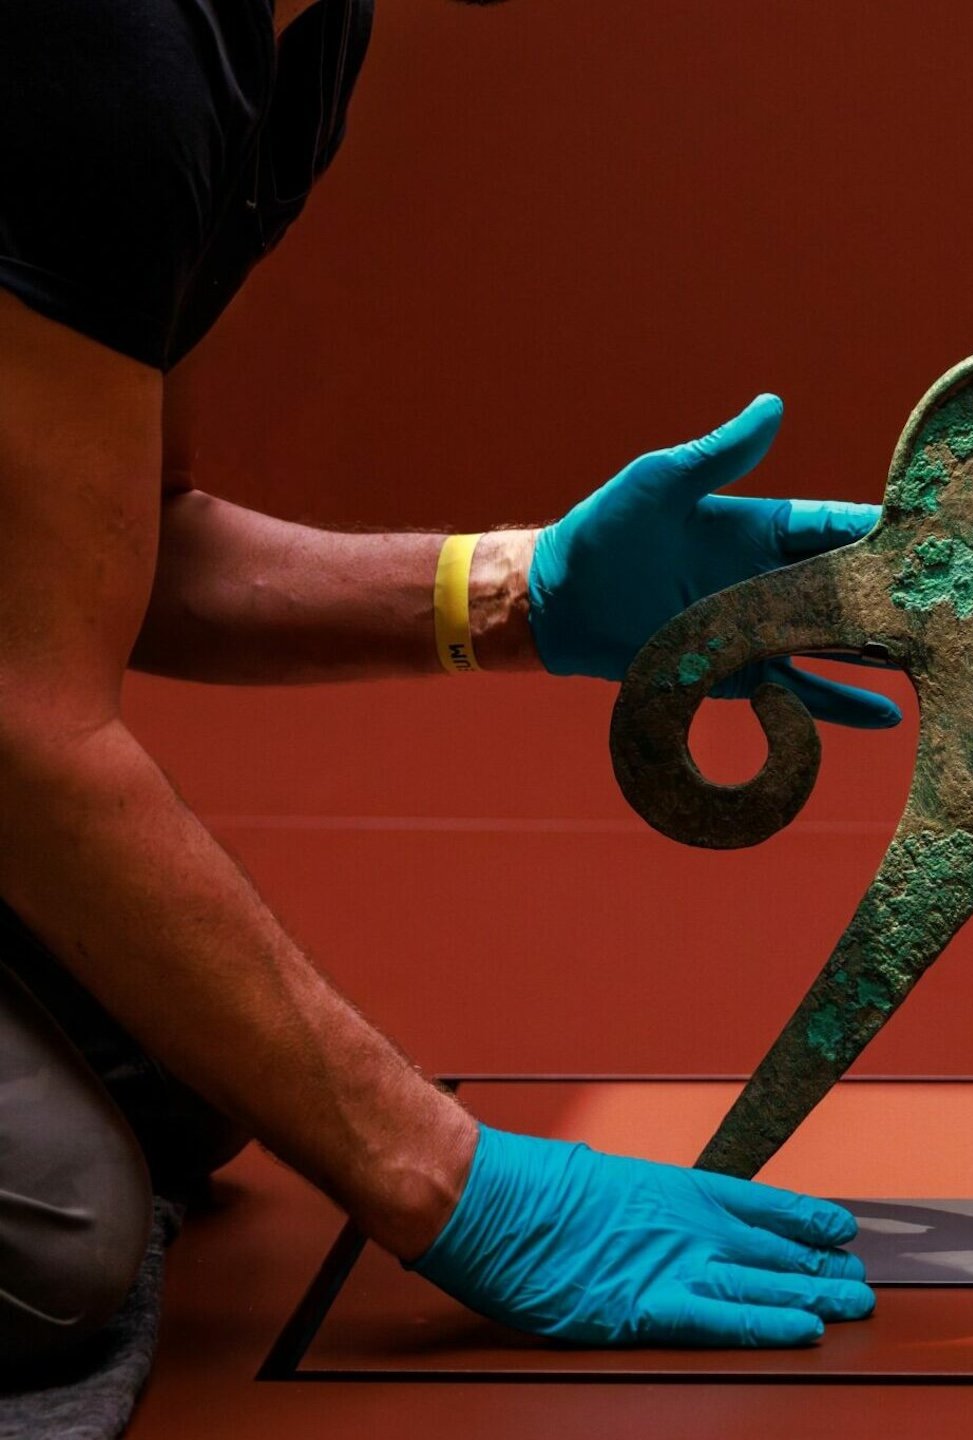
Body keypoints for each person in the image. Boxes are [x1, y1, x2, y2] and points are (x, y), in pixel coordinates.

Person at [0, 0, 895, 1363]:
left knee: (184, 1076)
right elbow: (22, 724)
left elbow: (109, 541)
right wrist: (446, 1180)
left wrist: (527, 594)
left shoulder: (289, 38)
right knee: (57, 1232)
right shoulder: (110, 48)